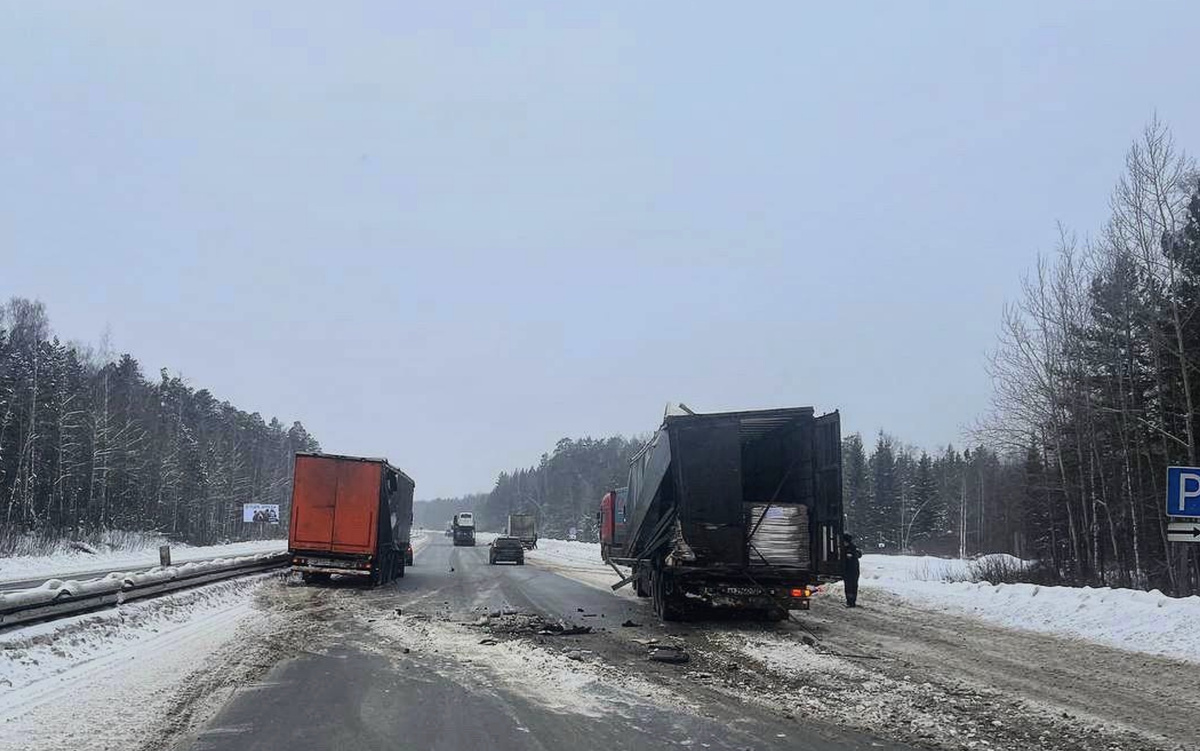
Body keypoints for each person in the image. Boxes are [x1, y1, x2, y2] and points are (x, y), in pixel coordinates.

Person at [842, 533, 862, 607]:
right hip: (851, 571)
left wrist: (852, 555)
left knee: (850, 587)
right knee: (851, 586)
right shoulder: (849, 548)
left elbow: (859, 554)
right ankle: (850, 601)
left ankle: (851, 602)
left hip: (851, 571)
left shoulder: (851, 548)